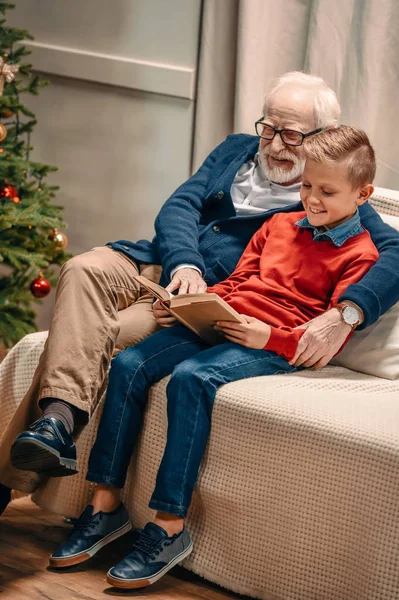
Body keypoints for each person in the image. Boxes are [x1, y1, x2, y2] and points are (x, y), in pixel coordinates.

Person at [1, 72, 399, 514]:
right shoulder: (235, 149)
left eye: (291, 134)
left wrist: (346, 313)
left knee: (92, 337)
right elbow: (181, 204)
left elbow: (394, 252)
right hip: (165, 262)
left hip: (203, 298)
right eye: (268, 128)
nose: (275, 145)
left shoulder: (328, 194)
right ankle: (56, 428)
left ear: (320, 136)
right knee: (81, 267)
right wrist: (184, 264)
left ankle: (40, 441)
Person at [48, 125, 381, 589]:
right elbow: (239, 282)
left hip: (272, 344)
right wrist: (189, 305)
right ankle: (104, 506)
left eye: (327, 191)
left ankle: (168, 527)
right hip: (225, 322)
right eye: (306, 185)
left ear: (362, 194)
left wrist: (267, 335)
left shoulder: (362, 254)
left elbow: (322, 339)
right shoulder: (279, 224)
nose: (312, 199)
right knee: (128, 364)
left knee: (191, 378)